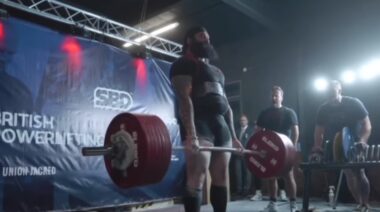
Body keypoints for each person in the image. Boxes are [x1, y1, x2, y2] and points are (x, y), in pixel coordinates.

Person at [170, 26, 244, 212]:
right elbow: (185, 100)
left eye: (208, 37)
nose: (206, 40)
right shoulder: (182, 64)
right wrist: (191, 134)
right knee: (197, 175)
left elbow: (226, 105)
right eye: (201, 36)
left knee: (220, 176)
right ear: (189, 40)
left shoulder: (218, 72)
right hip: (200, 123)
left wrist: (235, 138)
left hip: (220, 125)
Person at [311, 80, 371, 212]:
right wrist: (317, 148)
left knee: (359, 172)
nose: (330, 94)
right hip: (337, 144)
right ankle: (359, 203)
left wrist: (362, 140)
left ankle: (366, 203)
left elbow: (367, 125)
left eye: (332, 90)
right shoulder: (323, 108)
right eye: (327, 92)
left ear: (339, 89)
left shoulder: (353, 103)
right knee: (348, 173)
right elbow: (319, 131)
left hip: (355, 142)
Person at [256, 86, 299, 212]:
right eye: (273, 95)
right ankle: (273, 204)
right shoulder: (264, 113)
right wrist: (260, 147)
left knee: (288, 176)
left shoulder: (289, 112)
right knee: (271, 176)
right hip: (270, 149)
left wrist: (293, 147)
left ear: (282, 96)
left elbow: (295, 131)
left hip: (286, 149)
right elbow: (258, 132)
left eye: (277, 95)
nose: (274, 98)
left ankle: (293, 205)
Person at [230, 114, 254, 199]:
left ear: (247, 121)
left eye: (244, 120)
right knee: (238, 173)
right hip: (237, 155)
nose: (242, 122)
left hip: (247, 154)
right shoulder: (236, 131)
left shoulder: (252, 130)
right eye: (241, 120)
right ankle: (239, 190)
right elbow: (233, 142)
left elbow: (252, 142)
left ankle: (246, 190)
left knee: (247, 173)